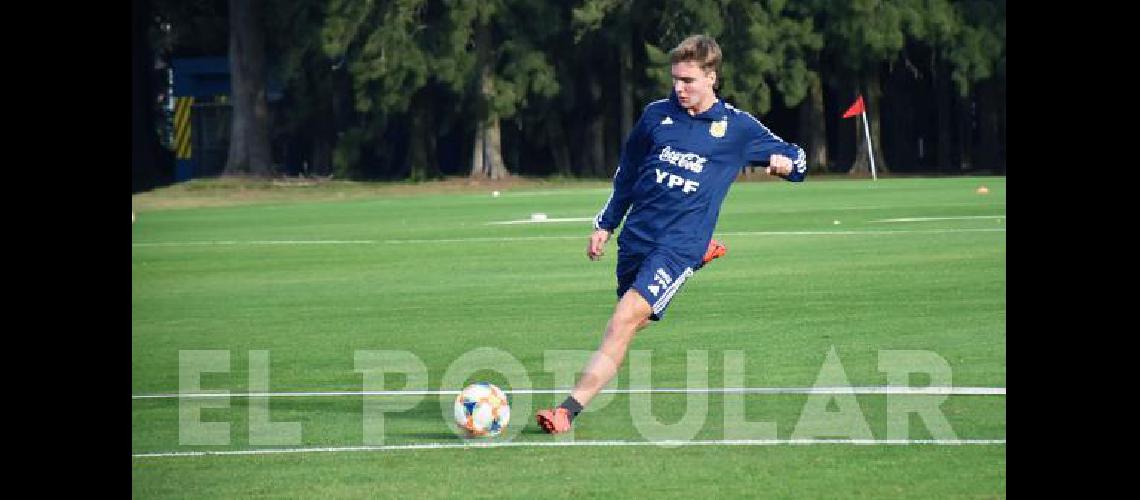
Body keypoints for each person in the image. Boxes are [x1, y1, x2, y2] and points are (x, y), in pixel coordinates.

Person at [536, 34, 807, 434]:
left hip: (678, 245)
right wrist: (606, 224)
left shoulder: (737, 128)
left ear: (711, 77)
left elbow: (798, 158)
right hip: (637, 238)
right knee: (630, 323)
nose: (679, 88)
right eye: (676, 79)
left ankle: (567, 410)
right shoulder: (655, 116)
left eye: (689, 80)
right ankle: (698, 258)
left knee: (624, 319)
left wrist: (788, 166)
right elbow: (627, 174)